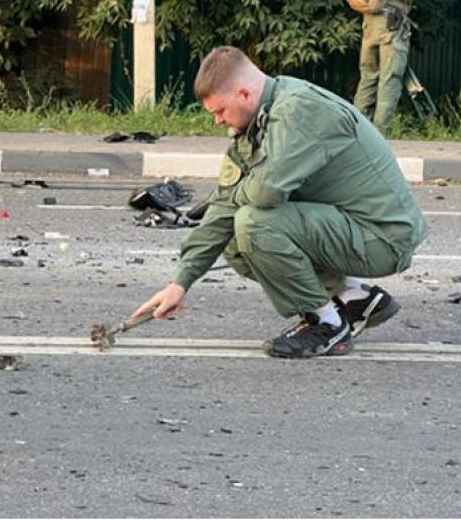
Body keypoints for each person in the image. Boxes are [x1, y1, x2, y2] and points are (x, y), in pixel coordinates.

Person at [132, 46, 427, 358]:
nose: (217, 121)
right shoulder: (257, 121)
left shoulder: (299, 111)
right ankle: (352, 297)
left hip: (383, 236)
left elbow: (264, 193)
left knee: (254, 223)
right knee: (233, 235)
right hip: (350, 226)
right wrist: (180, 283)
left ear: (244, 94)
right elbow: (223, 206)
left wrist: (235, 196)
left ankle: (326, 324)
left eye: (220, 111)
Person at [351, 0, 432, 134]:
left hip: (369, 20)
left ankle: (358, 132)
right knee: (390, 78)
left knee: (368, 75)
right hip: (391, 23)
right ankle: (381, 134)